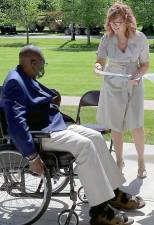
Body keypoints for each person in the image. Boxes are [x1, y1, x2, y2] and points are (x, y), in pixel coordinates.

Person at [2, 45, 145, 225]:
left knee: (95, 137)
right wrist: (31, 156)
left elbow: (37, 97)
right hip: (41, 134)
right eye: (41, 64)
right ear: (31, 63)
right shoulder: (15, 82)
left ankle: (113, 193)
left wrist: (52, 97)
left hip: (54, 125)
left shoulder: (25, 76)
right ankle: (100, 211)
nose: (42, 68)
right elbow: (16, 123)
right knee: (85, 146)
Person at [95, 2, 149, 178]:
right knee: (116, 125)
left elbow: (145, 64)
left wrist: (137, 76)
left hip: (134, 83)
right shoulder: (106, 38)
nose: (114, 26)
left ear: (127, 21)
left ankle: (141, 160)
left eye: (117, 22)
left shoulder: (140, 38)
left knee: (136, 124)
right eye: (112, 23)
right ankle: (119, 160)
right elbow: (100, 60)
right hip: (112, 84)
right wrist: (97, 67)